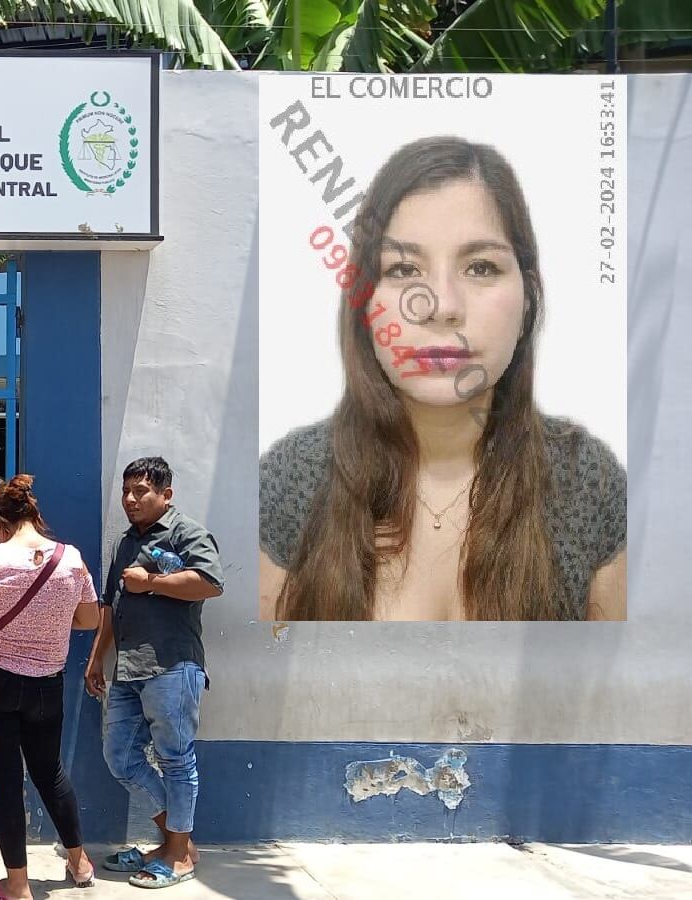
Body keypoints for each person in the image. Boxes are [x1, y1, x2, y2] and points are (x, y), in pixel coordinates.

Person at [258, 136, 627, 621]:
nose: (441, 307)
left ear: (528, 296)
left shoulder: (585, 481)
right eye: (405, 268)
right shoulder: (292, 481)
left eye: (480, 267)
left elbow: (618, 690)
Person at [0, 475, 101, 900]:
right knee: (50, 774)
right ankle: (79, 861)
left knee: (5, 781)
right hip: (48, 685)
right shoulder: (71, 559)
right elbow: (90, 620)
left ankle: (17, 886)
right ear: (33, 514)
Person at [87, 456, 224, 890]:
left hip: (172, 665)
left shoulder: (188, 533)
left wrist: (152, 583)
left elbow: (210, 583)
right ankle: (176, 843)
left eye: (141, 491)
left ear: (166, 495)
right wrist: (96, 659)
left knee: (175, 759)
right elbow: (109, 606)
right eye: (126, 491)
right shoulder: (125, 542)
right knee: (120, 757)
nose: (131, 499)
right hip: (128, 668)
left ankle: (179, 854)